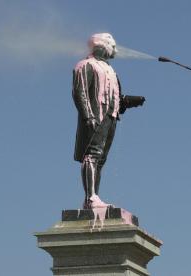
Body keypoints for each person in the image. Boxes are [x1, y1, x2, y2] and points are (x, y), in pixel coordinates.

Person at [72, 33, 145, 209]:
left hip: (111, 117)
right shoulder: (85, 65)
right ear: (102, 45)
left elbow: (115, 97)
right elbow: (79, 92)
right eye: (113, 46)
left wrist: (127, 101)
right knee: (92, 154)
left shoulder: (111, 70)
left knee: (101, 158)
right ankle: (90, 197)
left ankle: (95, 195)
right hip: (96, 116)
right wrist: (88, 115)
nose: (116, 50)